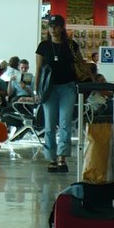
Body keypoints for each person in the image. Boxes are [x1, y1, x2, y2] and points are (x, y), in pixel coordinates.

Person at [34, 14, 80, 173]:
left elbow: (79, 65)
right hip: (49, 89)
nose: (53, 29)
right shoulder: (44, 46)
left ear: (62, 28)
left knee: (66, 122)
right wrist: (36, 90)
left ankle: (62, 157)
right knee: (50, 124)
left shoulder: (71, 45)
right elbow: (38, 70)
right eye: (50, 26)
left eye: (56, 26)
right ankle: (51, 158)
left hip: (68, 87)